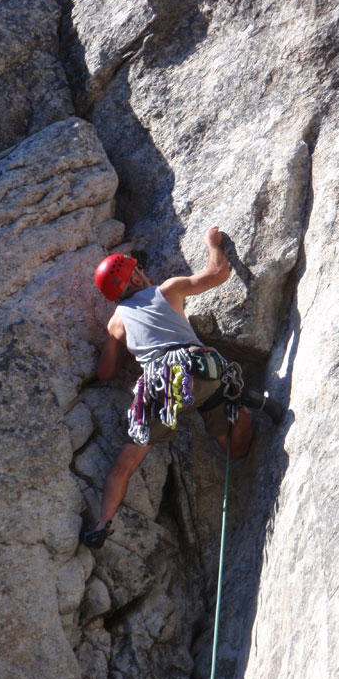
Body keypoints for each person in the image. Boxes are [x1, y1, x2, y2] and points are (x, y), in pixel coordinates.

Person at [81, 226, 281, 549]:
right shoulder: (167, 290)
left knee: (127, 461)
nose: (144, 273)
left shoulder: (116, 322)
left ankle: (102, 524)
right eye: (139, 270)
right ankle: (241, 406)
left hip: (162, 392)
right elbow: (219, 272)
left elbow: (105, 373)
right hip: (200, 370)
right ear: (134, 279)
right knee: (234, 450)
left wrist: (120, 345)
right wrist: (211, 243)